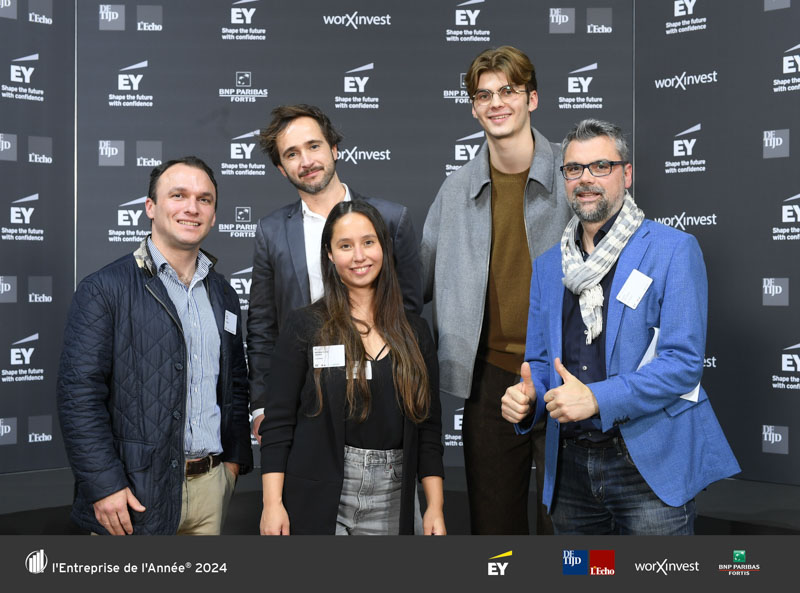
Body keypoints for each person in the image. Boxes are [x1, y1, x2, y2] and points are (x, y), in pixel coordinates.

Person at [501, 119, 740, 534]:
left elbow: (683, 364)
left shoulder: (672, 250)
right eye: (573, 169)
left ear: (626, 174)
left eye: (600, 166)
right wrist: (529, 397)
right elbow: (540, 363)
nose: (585, 179)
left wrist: (596, 399)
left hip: (648, 464)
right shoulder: (548, 266)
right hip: (570, 471)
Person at [57, 156, 252, 535]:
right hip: (133, 494)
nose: (192, 208)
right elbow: (78, 395)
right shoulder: (104, 289)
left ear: (213, 216)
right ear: (150, 207)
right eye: (178, 195)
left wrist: (231, 465)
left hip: (211, 490)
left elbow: (235, 385)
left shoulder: (224, 294)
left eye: (204, 199)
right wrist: (104, 484)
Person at [420, 46, 571, 534]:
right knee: (494, 532)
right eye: (484, 95)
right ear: (473, 108)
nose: (496, 103)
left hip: (570, 374)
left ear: (532, 99)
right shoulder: (455, 190)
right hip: (489, 380)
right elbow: (414, 283)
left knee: (567, 526)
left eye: (508, 91)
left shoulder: (573, 173)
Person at [258, 201, 444, 535]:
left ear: (384, 247)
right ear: (330, 255)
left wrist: (435, 507)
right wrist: (272, 504)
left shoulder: (415, 332)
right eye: (345, 246)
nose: (359, 256)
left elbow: (429, 429)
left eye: (368, 242)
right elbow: (279, 424)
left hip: (395, 496)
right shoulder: (305, 326)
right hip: (319, 492)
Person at [248, 104, 422, 444]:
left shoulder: (391, 219)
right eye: (292, 154)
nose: (306, 161)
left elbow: (409, 314)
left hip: (382, 395)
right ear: (282, 169)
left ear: (334, 149)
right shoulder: (271, 231)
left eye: (314, 146)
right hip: (304, 399)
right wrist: (262, 405)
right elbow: (262, 327)